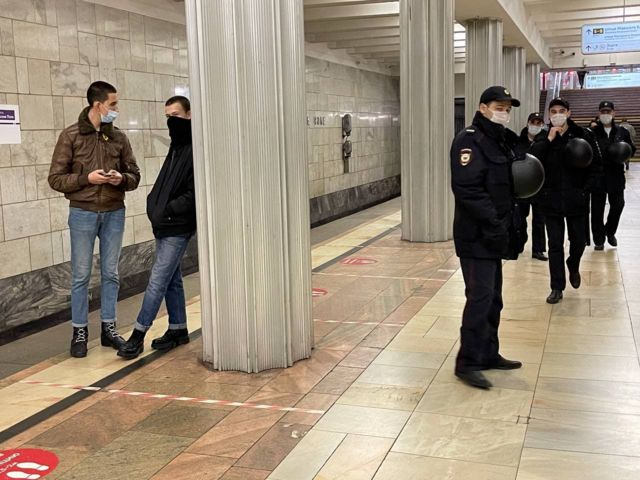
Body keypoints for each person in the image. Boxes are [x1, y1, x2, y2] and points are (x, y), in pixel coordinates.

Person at [48, 81, 141, 358]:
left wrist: (120, 178)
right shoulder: (71, 136)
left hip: (114, 211)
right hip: (83, 212)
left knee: (111, 273)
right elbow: (55, 178)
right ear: (97, 104)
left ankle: (109, 329)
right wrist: (85, 179)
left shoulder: (120, 138)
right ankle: (79, 331)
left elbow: (134, 175)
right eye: (113, 104)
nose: (116, 109)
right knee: (80, 275)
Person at [450, 86, 524, 390]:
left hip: (495, 233)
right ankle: (466, 362)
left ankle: (488, 353)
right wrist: (494, 223)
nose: (504, 112)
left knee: (494, 298)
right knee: (479, 299)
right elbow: (467, 189)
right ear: (482, 108)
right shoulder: (469, 141)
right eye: (498, 106)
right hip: (476, 234)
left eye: (507, 107)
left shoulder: (501, 140)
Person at [118, 96, 196, 360]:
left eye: (175, 115)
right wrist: (155, 205)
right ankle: (178, 328)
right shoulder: (177, 146)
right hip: (165, 224)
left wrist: (167, 209)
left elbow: (193, 194)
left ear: (189, 115)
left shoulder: (196, 148)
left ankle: (138, 334)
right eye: (167, 116)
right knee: (172, 279)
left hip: (178, 225)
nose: (171, 121)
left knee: (157, 280)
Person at [530, 97, 599, 305]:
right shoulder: (543, 137)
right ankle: (556, 286)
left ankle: (574, 263)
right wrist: (549, 140)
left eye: (561, 110)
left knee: (579, 241)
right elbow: (531, 160)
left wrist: (585, 191)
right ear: (549, 115)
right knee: (555, 245)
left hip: (576, 200)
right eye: (553, 111)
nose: (557, 114)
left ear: (568, 113)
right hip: (550, 201)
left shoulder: (583, 134)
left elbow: (596, 165)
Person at [591, 101, 636, 250]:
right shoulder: (592, 132)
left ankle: (610, 231)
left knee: (618, 205)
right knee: (597, 209)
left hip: (616, 175)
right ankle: (598, 239)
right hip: (598, 176)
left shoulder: (622, 132)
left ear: (614, 113)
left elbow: (632, 148)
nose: (605, 114)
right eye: (602, 111)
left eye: (608, 111)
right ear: (598, 113)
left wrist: (624, 152)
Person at [515, 112, 547, 261]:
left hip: (540, 186)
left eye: (538, 123)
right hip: (522, 186)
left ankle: (538, 249)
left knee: (539, 220)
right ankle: (519, 242)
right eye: (533, 122)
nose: (535, 125)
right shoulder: (519, 141)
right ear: (528, 123)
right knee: (520, 218)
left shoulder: (546, 141)